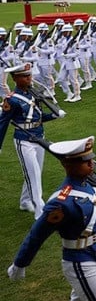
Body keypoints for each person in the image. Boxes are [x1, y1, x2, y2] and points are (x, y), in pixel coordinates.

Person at [7, 136, 96, 301]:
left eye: (91, 159)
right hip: (81, 262)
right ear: (68, 165)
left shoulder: (89, 186)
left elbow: (95, 216)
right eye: (85, 161)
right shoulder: (61, 202)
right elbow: (37, 235)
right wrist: (20, 263)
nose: (91, 164)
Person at [0, 63, 66, 219]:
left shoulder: (33, 94)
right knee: (34, 174)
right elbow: (3, 122)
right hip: (24, 140)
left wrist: (54, 116)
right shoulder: (12, 100)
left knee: (35, 172)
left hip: (39, 137)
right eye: (25, 76)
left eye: (29, 75)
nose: (29, 78)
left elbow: (38, 118)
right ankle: (40, 210)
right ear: (15, 78)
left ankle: (25, 201)